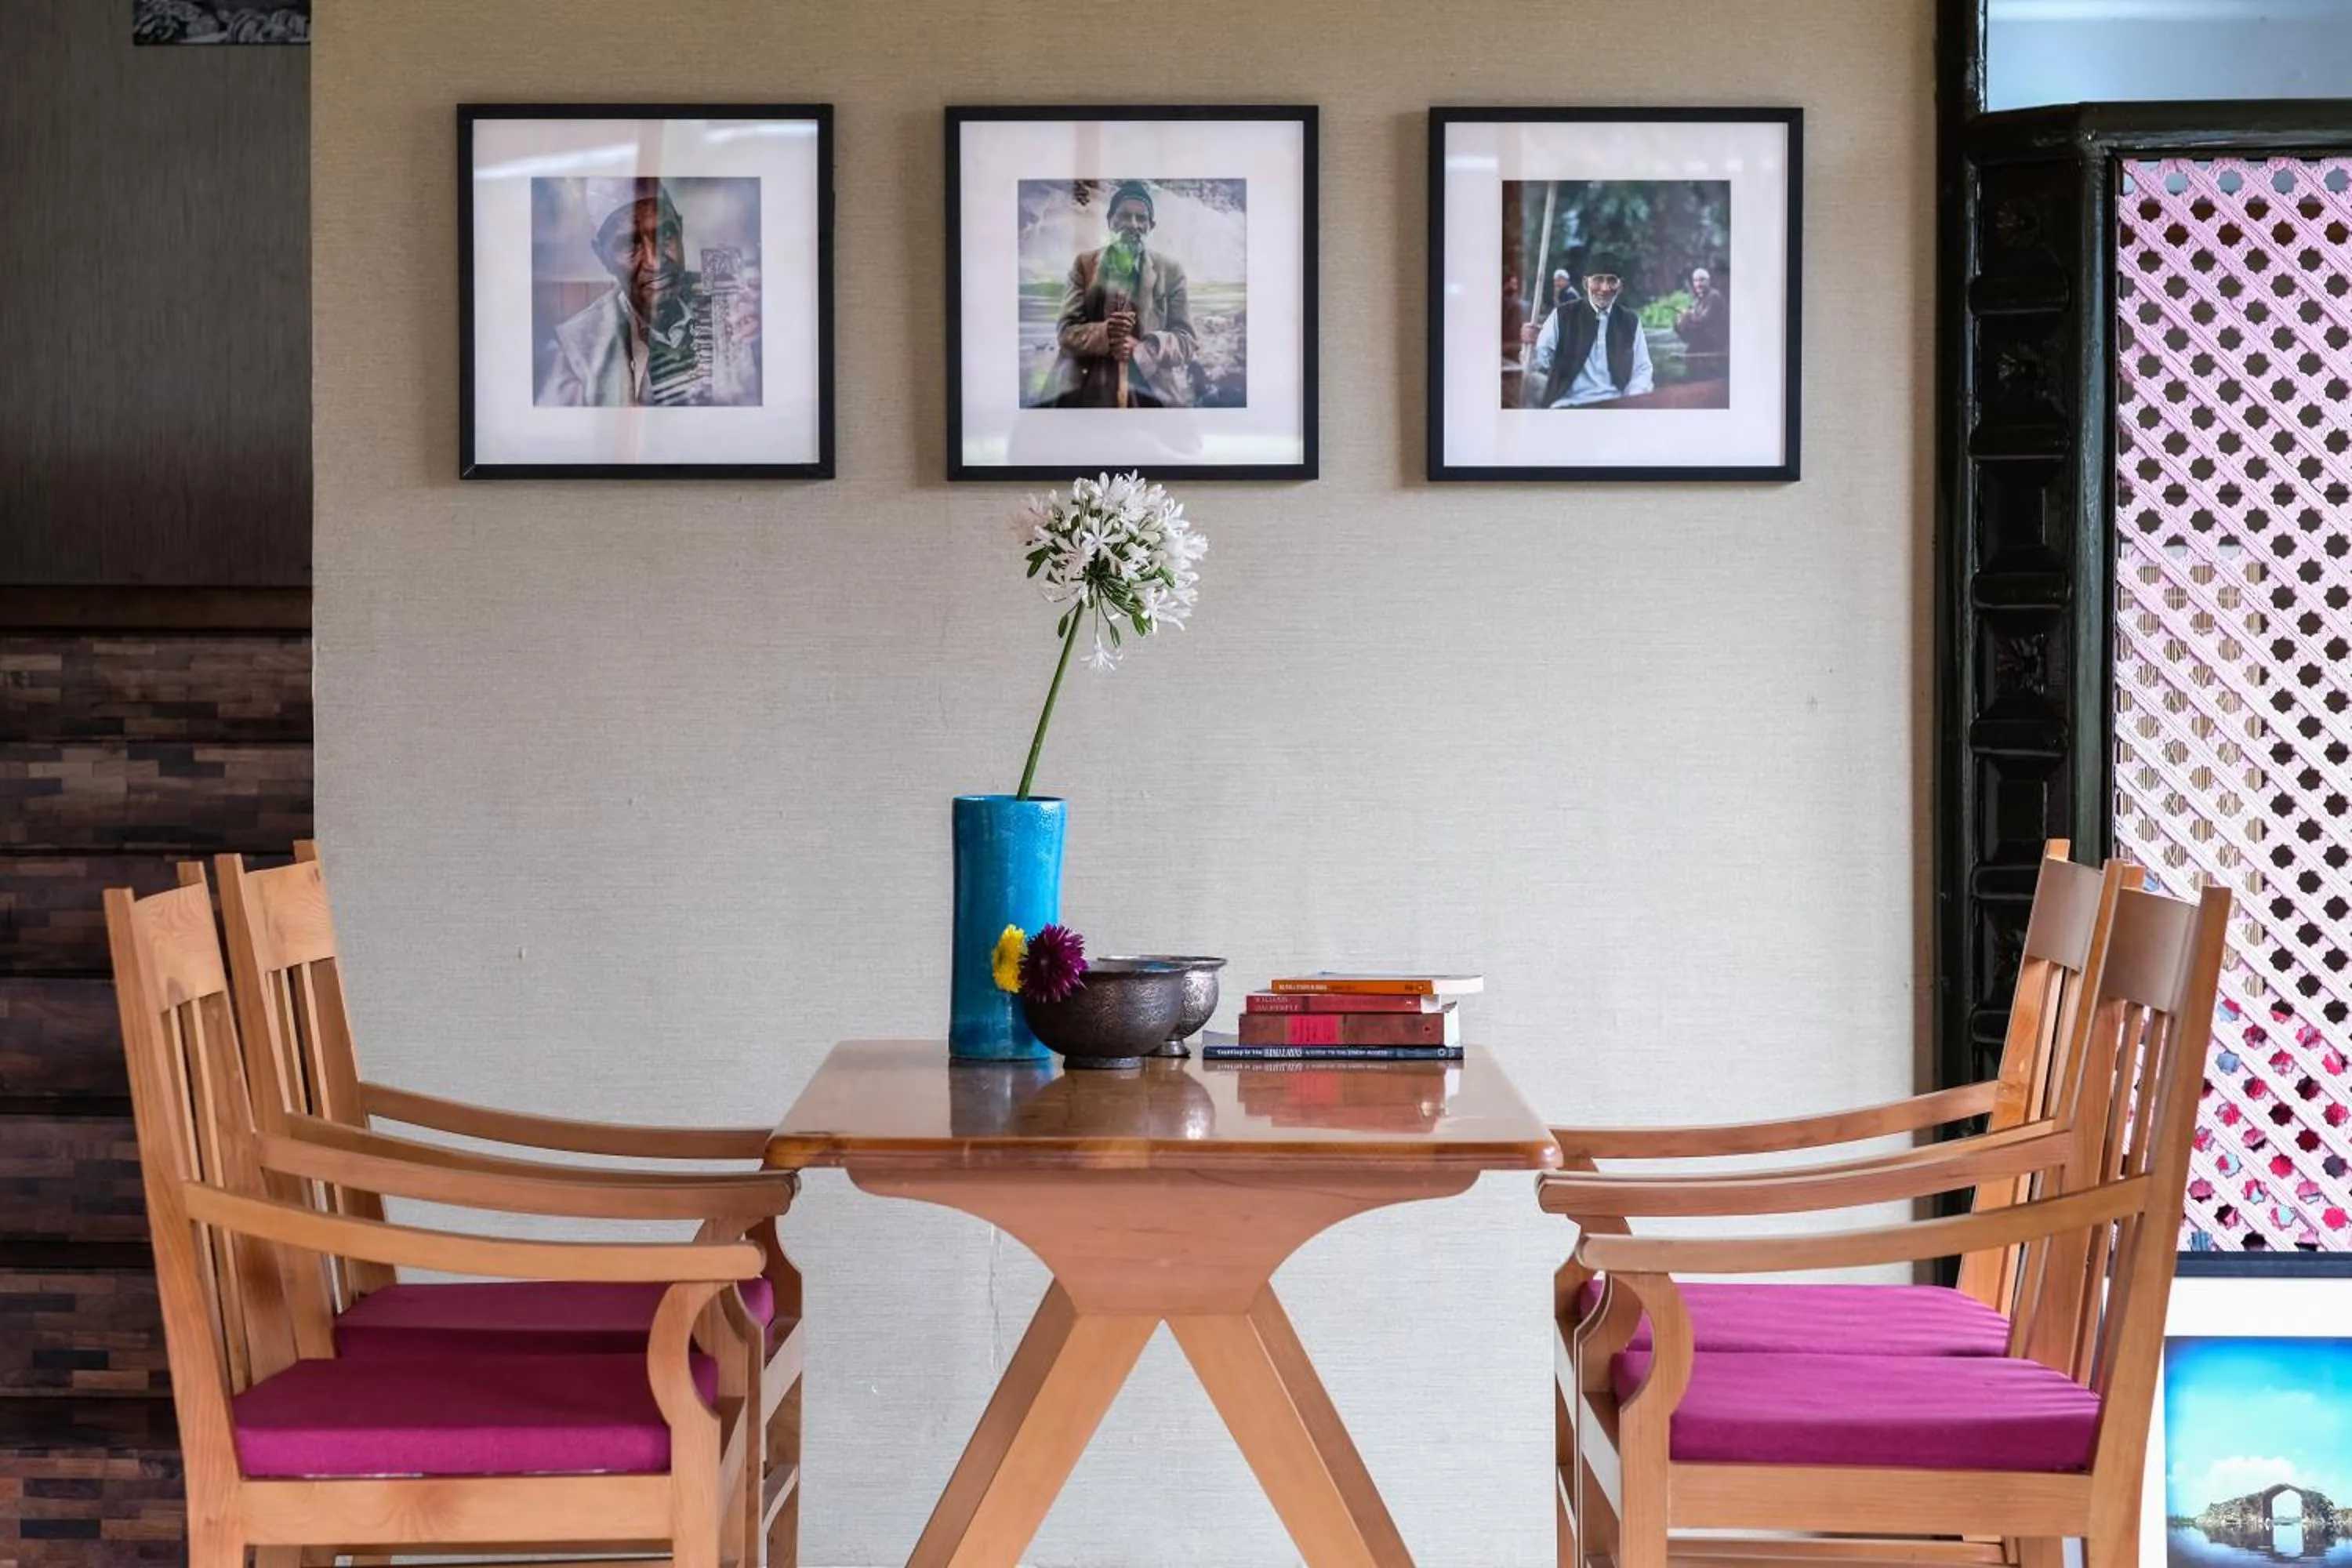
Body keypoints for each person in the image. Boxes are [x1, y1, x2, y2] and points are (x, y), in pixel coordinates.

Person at [538, 179, 759, 408]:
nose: (655, 262)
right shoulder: (577, 350)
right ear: (603, 257)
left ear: (680, 229)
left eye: (664, 234)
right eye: (629, 245)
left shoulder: (736, 302)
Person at [1043, 180, 1197, 408]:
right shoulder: (1084, 265)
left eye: (1141, 218)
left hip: (1151, 389)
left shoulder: (1171, 271)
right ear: (1110, 222)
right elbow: (1066, 332)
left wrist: (1145, 349)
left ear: (1150, 226)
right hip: (1088, 388)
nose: (1132, 224)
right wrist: (1106, 333)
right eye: (1124, 216)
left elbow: (1187, 340)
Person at [1523, 252, 1653, 408]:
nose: (1604, 288)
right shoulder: (1562, 316)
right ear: (1586, 283)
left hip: (1615, 405)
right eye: (1598, 280)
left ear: (1620, 286)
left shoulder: (1630, 321)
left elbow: (1642, 369)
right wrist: (1530, 343)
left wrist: (1631, 400)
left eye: (1611, 281)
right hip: (1567, 405)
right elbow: (1538, 362)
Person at [1674, 267, 1729, 358]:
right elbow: (1692, 316)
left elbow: (1704, 320)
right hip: (1702, 339)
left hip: (1714, 341)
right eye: (1696, 281)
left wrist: (1688, 315)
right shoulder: (1697, 298)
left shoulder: (1714, 297)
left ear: (1709, 281)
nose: (1699, 284)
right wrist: (1681, 319)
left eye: (1702, 280)